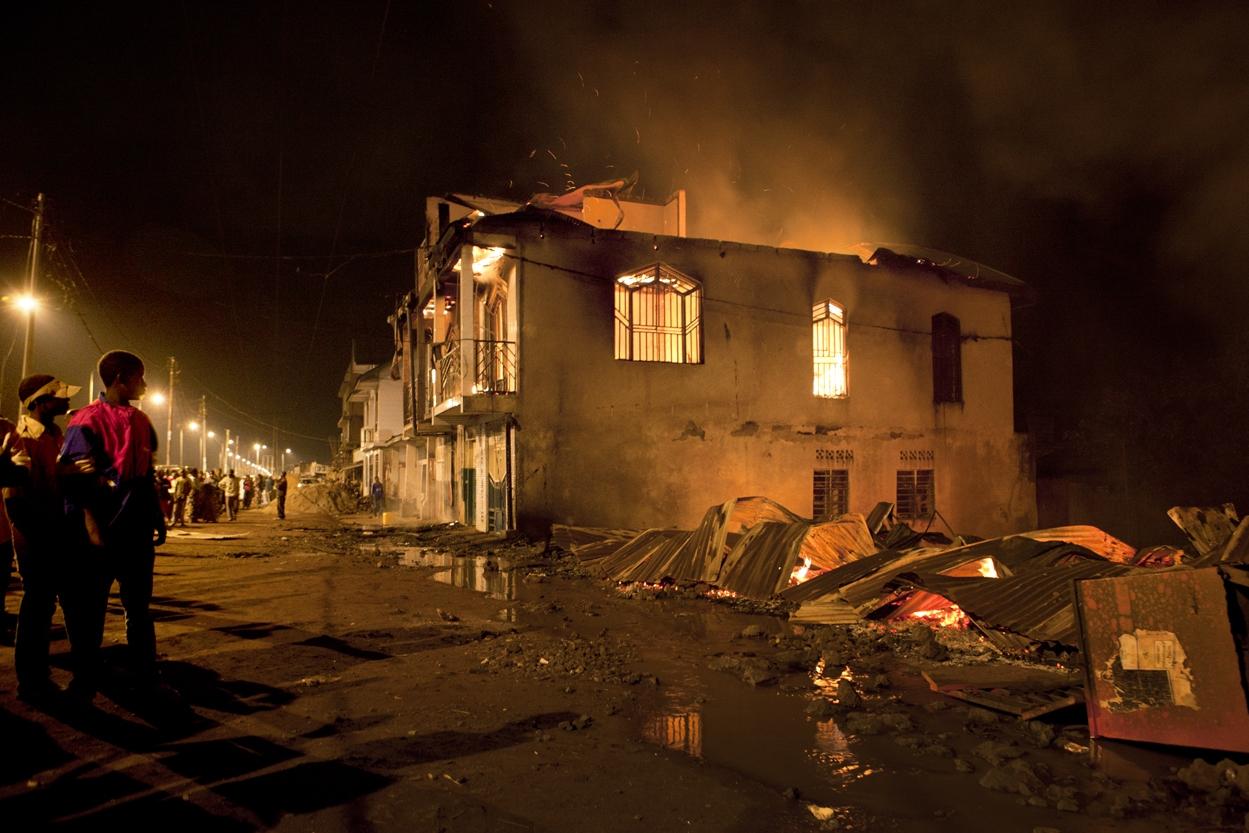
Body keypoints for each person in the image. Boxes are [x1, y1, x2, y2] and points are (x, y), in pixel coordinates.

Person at [58, 350, 166, 699]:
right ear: (120, 377)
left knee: (139, 609)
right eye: (140, 377)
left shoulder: (141, 420)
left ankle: (145, 675)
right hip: (100, 534)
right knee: (91, 609)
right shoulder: (86, 420)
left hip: (136, 532)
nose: (144, 384)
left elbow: (146, 475)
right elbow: (76, 480)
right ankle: (85, 679)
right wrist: (93, 530)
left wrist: (156, 516)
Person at [5, 375, 79, 703]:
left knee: (53, 605)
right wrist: (39, 538)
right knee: (37, 606)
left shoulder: (55, 434)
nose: (67, 400)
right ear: (40, 401)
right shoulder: (21, 438)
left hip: (58, 533)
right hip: (35, 536)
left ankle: (46, 674)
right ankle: (31, 681)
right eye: (60, 396)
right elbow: (14, 501)